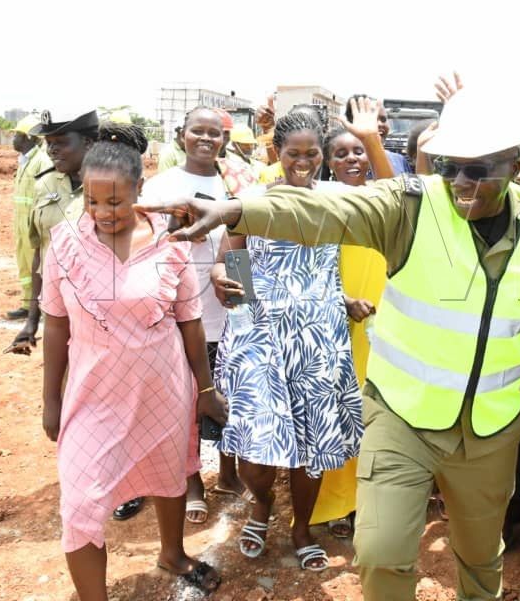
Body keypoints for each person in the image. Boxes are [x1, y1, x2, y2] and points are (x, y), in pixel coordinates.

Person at [142, 90, 520, 601]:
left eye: (477, 170)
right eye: (451, 166)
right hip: (400, 416)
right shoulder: (412, 204)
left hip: (491, 431)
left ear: (513, 164)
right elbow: (320, 207)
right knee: (382, 554)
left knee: (480, 558)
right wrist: (234, 210)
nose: (459, 183)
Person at [39, 124, 225, 599]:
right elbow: (56, 325)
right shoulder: (63, 243)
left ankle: (173, 553)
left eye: (116, 202)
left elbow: (190, 321)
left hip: (162, 388)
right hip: (93, 394)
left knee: (169, 474)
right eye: (93, 201)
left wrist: (204, 391)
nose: (102, 213)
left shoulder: (172, 240)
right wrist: (51, 401)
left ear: (140, 190)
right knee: (80, 503)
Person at [204, 107, 362, 573]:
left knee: (312, 444)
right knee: (256, 446)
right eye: (294, 153)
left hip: (319, 339)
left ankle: (301, 529)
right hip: (260, 339)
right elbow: (229, 257)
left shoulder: (338, 198)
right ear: (278, 151)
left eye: (312, 153)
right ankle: (261, 505)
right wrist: (226, 281)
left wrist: (342, 298)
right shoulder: (251, 199)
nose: (304, 161)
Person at [137, 105, 258, 525]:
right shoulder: (159, 186)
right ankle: (192, 483)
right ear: (181, 135)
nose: (206, 139)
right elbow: (144, 247)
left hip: (224, 308)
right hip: (180, 312)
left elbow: (246, 239)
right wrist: (176, 225)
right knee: (186, 400)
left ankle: (227, 473)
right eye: (197, 132)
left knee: (231, 393)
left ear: (224, 139)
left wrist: (242, 301)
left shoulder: (241, 182)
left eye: (215, 133)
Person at [310, 100, 396, 539]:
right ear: (327, 161)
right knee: (338, 409)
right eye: (340, 153)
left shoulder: (385, 196)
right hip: (334, 318)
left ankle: (372, 498)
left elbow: (399, 184)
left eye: (357, 152)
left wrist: (370, 138)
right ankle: (337, 502)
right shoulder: (319, 198)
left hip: (384, 320)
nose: (351, 159)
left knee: (378, 412)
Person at [6, 110, 98, 357]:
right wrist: (32, 319)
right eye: (49, 144)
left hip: (99, 313)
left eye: (61, 143)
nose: (51, 151)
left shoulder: (112, 186)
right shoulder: (44, 185)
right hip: (57, 313)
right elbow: (40, 256)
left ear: (88, 142)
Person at [7, 114, 53, 320]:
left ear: (28, 137)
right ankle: (27, 304)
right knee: (24, 264)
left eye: (17, 135)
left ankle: (43, 306)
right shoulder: (25, 161)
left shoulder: (41, 161)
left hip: (33, 224)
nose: (13, 139)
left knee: (38, 267)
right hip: (21, 224)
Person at [345, 94, 411, 174]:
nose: (380, 124)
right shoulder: (345, 161)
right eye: (372, 119)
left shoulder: (400, 161)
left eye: (383, 119)